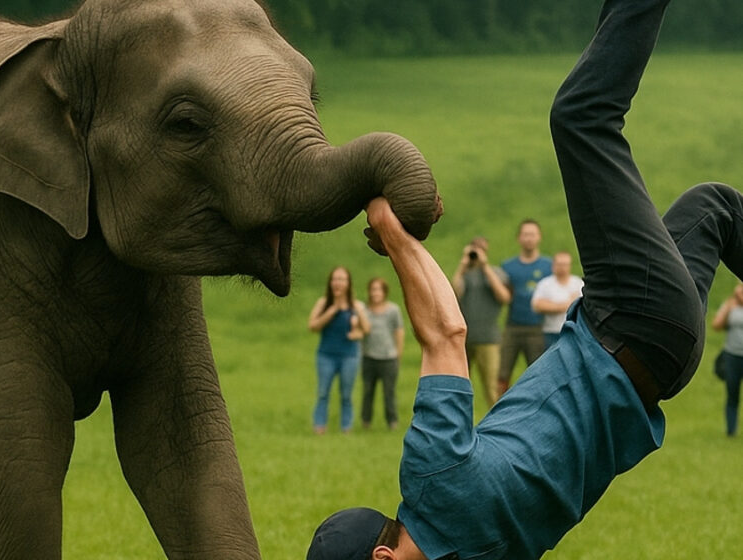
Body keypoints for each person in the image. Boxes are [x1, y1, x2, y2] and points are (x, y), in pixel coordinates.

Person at [306, 1, 743, 558]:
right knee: (580, 117)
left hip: (667, 364)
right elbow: (445, 333)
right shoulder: (432, 487)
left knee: (715, 210)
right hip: (629, 322)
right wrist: (392, 230)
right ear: (383, 555)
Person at [308, 266, 371, 434]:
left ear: (348, 283)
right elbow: (313, 326)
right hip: (326, 355)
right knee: (322, 392)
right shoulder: (323, 303)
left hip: (349, 356)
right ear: (330, 283)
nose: (338, 283)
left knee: (346, 394)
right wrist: (332, 310)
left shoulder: (356, 306)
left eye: (342, 279)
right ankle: (319, 425)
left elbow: (366, 329)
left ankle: (346, 427)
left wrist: (356, 333)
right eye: (335, 279)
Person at [451, 237, 511, 407]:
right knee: (460, 384)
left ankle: (497, 421)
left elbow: (504, 296)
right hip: (464, 339)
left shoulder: (496, 272)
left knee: (492, 386)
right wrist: (462, 266)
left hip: (489, 339)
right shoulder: (464, 275)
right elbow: (453, 295)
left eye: (481, 249)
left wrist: (485, 267)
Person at [498, 220, 552, 394]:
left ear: (539, 237)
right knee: (502, 373)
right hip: (512, 327)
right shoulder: (508, 267)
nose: (529, 239)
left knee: (538, 373)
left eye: (532, 234)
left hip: (537, 327)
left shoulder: (548, 267)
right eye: (525, 234)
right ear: (519, 238)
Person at [360, 278, 405, 430]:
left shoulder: (393, 310)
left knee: (389, 392)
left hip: (388, 358)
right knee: (367, 391)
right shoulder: (364, 311)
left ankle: (392, 421)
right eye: (373, 289)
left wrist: (398, 355)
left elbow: (399, 332)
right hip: (369, 357)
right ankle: (366, 421)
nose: (375, 293)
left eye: (378, 289)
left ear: (384, 292)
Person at [531, 251, 584, 348]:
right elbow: (537, 306)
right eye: (559, 264)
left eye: (565, 264)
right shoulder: (545, 284)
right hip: (551, 332)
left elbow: (584, 306)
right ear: (553, 265)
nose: (562, 267)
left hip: (573, 332)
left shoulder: (578, 284)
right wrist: (568, 304)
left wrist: (551, 304)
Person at [711, 283, 743, 436]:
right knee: (732, 392)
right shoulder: (730, 305)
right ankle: (731, 430)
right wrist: (728, 308)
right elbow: (716, 325)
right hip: (732, 355)